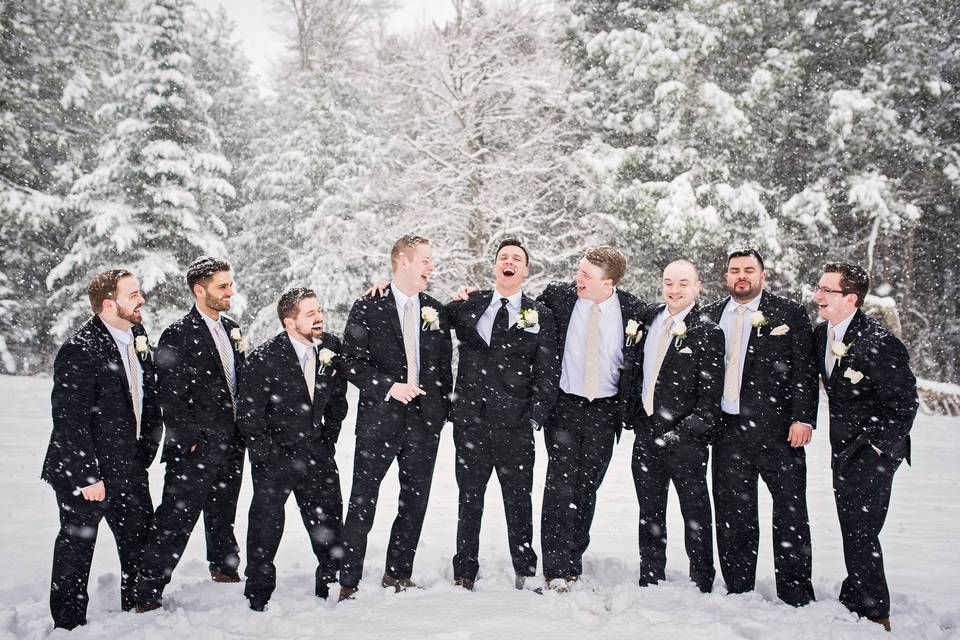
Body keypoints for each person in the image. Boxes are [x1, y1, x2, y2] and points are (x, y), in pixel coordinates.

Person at [43, 270, 162, 629]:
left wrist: (146, 451)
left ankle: (139, 611)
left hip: (128, 465)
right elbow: (69, 421)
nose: (142, 299)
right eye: (134, 294)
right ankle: (68, 624)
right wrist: (88, 476)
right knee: (77, 547)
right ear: (109, 304)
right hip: (84, 471)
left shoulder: (138, 335)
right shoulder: (79, 350)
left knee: (140, 539)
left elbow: (148, 397)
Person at [338, 235, 453, 600]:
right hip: (379, 420)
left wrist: (441, 410)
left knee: (414, 502)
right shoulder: (367, 307)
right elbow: (350, 363)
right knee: (362, 501)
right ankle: (348, 580)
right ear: (403, 261)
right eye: (425, 260)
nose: (431, 267)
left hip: (424, 424)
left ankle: (398, 573)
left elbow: (443, 368)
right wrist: (389, 386)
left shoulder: (435, 310)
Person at [703, 248, 818, 606]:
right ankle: (738, 585)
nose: (742, 276)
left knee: (790, 510)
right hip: (727, 431)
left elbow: (804, 371)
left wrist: (804, 417)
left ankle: (795, 589)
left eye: (749, 270)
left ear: (762, 276)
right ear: (726, 276)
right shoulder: (709, 316)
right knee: (734, 512)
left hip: (780, 432)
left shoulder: (788, 314)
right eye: (735, 270)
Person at [446, 239, 559, 591]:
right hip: (470, 423)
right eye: (503, 258)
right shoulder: (470, 304)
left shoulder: (540, 314)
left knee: (518, 500)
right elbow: (426, 312)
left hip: (515, 426)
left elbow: (548, 371)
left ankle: (525, 567)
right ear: (494, 266)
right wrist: (389, 288)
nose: (509, 262)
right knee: (469, 499)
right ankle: (464, 570)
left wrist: (535, 416)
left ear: (525, 270)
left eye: (516, 259)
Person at [136, 256, 246, 611]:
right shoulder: (178, 333)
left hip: (232, 442)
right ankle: (148, 591)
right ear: (200, 290)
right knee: (175, 520)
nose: (231, 291)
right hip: (195, 449)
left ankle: (226, 570)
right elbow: (169, 394)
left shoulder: (232, 328)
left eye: (230, 284)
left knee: (223, 512)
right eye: (222, 286)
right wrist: (191, 440)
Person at [814, 262, 917, 632]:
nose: (819, 295)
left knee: (861, 530)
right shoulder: (820, 335)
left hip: (872, 452)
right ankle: (854, 595)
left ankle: (876, 612)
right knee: (853, 527)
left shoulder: (879, 342)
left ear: (852, 299)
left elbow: (905, 403)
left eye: (828, 290)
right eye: (819, 287)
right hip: (842, 449)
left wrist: (877, 447)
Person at [537, 246, 645, 590]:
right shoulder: (558, 297)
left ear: (608, 282)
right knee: (559, 485)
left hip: (605, 411)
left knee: (587, 487)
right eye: (579, 270)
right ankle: (555, 568)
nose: (578, 278)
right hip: (564, 407)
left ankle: (572, 558)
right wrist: (471, 297)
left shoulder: (633, 310)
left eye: (587, 275)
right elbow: (517, 307)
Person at [238, 288, 348, 610]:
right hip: (276, 457)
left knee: (328, 519)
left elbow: (338, 400)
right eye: (310, 313)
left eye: (319, 310)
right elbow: (248, 415)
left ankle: (329, 581)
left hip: (318, 454)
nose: (319, 318)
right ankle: (258, 591)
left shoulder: (331, 347)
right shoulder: (263, 358)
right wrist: (267, 455)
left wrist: (329, 439)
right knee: (266, 524)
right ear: (289, 321)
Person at [625, 260, 723, 592]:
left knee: (695, 512)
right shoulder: (650, 318)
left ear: (698, 286)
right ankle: (650, 575)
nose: (674, 289)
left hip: (685, 440)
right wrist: (637, 420)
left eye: (683, 283)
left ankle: (701, 579)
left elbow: (710, 398)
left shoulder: (709, 330)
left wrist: (683, 432)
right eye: (668, 282)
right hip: (646, 435)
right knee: (649, 511)